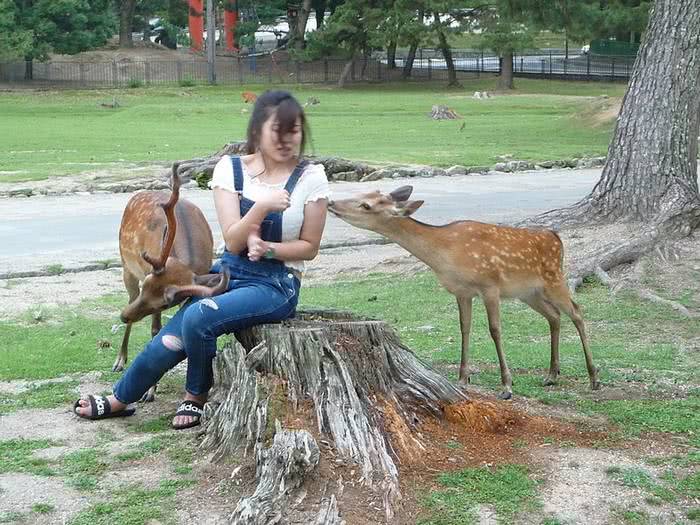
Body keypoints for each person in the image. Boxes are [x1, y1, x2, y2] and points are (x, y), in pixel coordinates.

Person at [75, 90, 330, 429]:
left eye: (294, 130)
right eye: (277, 131)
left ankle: (196, 395)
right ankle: (120, 398)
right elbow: (233, 239)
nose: (287, 139)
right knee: (169, 338)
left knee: (199, 317)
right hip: (227, 272)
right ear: (257, 131)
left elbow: (310, 247)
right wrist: (263, 206)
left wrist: (269, 249)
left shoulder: (311, 177)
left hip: (276, 283)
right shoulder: (232, 170)